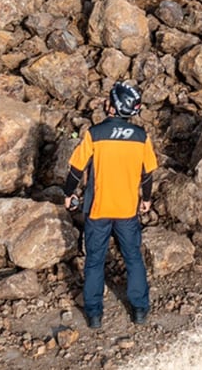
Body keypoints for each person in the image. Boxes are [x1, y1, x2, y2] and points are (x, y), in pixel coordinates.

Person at [64, 81, 158, 329]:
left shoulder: (95, 134)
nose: (105, 103)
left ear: (113, 108)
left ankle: (94, 315)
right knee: (133, 259)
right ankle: (139, 309)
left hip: (98, 210)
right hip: (127, 211)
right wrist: (146, 199)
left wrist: (67, 194)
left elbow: (76, 169)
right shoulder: (141, 137)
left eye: (109, 100)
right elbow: (147, 174)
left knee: (94, 261)